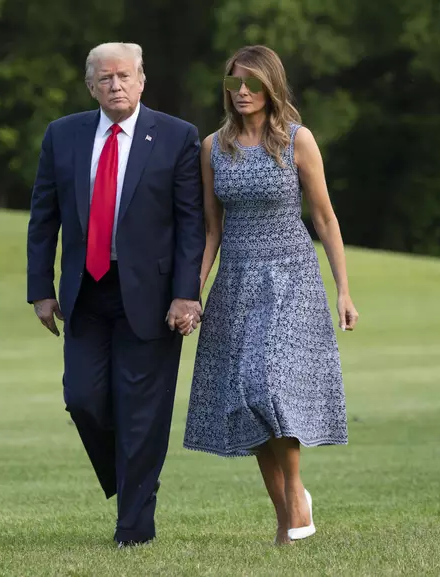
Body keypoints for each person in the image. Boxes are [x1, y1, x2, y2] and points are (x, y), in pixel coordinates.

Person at [26, 42, 205, 547]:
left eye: (124, 76)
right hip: (85, 293)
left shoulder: (177, 137)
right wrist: (40, 288)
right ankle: (130, 474)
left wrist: (186, 294)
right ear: (91, 86)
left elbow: (192, 224)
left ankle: (134, 524)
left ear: (142, 80)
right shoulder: (63, 135)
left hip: (152, 299)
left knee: (142, 413)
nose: (116, 86)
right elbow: (44, 218)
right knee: (83, 399)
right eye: (105, 79)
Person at [181, 45, 359, 546]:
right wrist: (191, 294)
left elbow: (324, 218)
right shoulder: (213, 147)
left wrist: (344, 290)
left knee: (268, 386)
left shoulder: (297, 141)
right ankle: (286, 517)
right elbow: (211, 231)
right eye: (235, 83)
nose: (242, 92)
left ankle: (298, 494)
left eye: (253, 84)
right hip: (236, 282)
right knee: (245, 399)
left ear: (271, 87)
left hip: (291, 279)